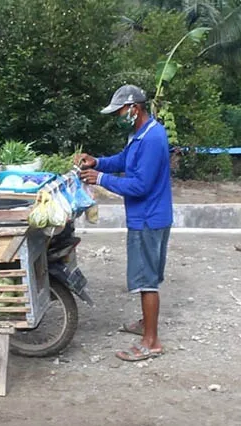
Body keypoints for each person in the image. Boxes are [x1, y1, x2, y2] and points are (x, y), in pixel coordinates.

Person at [76, 84, 173, 362]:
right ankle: (147, 324)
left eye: (120, 112)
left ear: (134, 108)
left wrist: (101, 178)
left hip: (148, 218)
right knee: (148, 275)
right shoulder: (140, 134)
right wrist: (99, 162)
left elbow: (140, 185)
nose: (119, 117)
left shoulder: (153, 138)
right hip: (148, 215)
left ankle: (151, 341)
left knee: (146, 280)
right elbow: (124, 161)